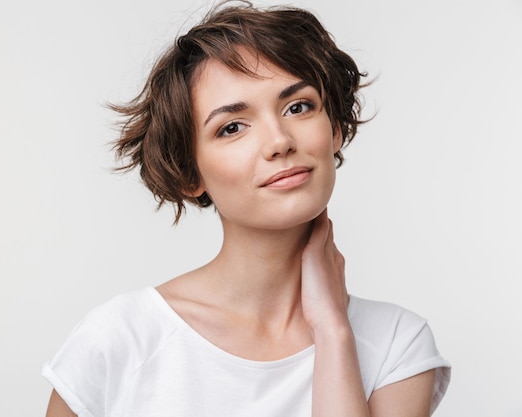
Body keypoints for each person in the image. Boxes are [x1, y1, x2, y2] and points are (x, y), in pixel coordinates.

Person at [43, 2, 451, 416]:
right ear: (189, 173)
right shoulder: (120, 340)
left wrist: (332, 332)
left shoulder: (396, 344)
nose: (279, 141)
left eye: (298, 107)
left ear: (335, 130)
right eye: (232, 127)